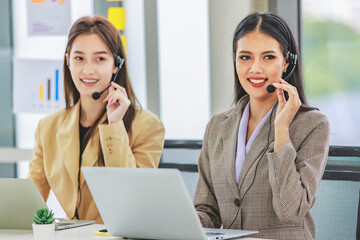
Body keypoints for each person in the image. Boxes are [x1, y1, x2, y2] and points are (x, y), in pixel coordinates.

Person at [194, 12, 330, 240]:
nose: (255, 69)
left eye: (268, 57)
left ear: (287, 61)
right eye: (245, 57)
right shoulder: (218, 126)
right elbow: (208, 212)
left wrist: (282, 131)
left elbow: (291, 210)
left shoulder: (312, 124)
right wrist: (171, 220)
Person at [28, 16, 165, 224]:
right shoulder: (48, 127)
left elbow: (132, 197)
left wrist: (115, 125)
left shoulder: (148, 125)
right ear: (68, 61)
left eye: (100, 59)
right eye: (79, 58)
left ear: (115, 65)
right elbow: (30, 200)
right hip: (72, 236)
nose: (88, 70)